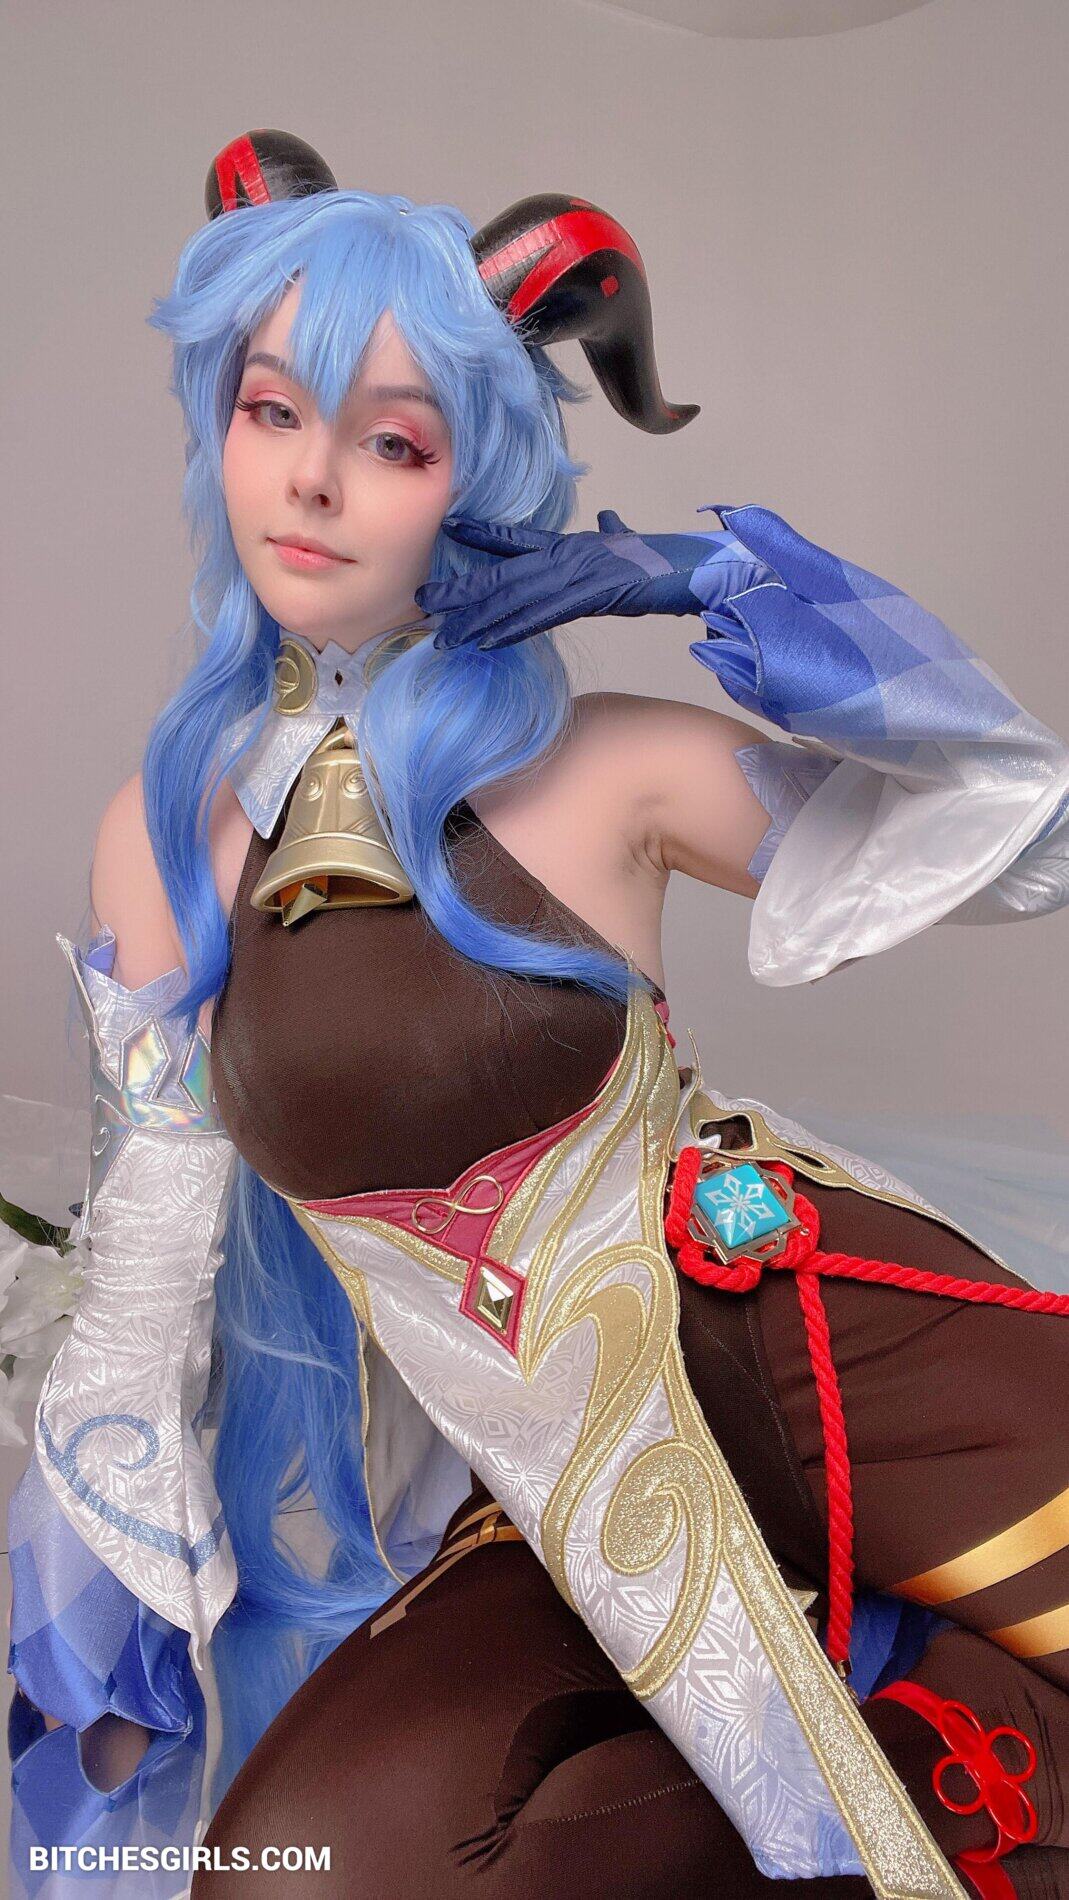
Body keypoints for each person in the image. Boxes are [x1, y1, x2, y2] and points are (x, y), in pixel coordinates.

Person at [8, 130, 1069, 1899]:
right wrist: (108, 1563)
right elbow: (148, 1260)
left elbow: (1028, 843)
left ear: (474, 482)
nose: (314, 480)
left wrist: (710, 583)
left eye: (394, 441)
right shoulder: (168, 833)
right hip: (564, 1475)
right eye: (273, 411)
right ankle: (919, 1727)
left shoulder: (606, 771)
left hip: (824, 1338)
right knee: (299, 1871)